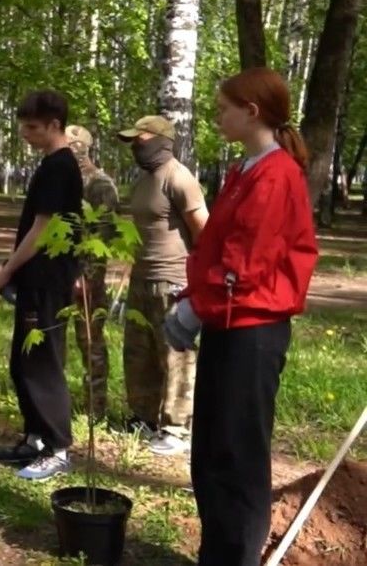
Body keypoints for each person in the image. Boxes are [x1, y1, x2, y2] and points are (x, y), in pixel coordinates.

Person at [164, 68, 317, 565]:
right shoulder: (246, 170)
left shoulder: (276, 176)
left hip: (252, 332)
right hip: (228, 326)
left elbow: (245, 262)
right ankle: (219, 554)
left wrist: (196, 307)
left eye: (223, 108)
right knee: (212, 450)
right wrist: (192, 299)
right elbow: (214, 248)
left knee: (237, 456)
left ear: (252, 112)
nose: (216, 116)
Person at [0, 90, 84, 481]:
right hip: (37, 280)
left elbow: (42, 230)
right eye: (23, 126)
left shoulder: (60, 167)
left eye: (32, 127)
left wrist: (7, 268)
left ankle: (59, 447)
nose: (24, 134)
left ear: (54, 125)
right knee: (22, 362)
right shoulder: (50, 163)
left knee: (41, 364)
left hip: (47, 281)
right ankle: (35, 437)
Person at [116, 115, 208, 456]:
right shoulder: (143, 181)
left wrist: (197, 279)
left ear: (160, 141)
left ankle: (176, 427)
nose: (135, 148)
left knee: (176, 354)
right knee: (138, 352)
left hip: (173, 280)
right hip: (142, 278)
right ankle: (143, 417)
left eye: (139, 141)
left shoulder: (179, 177)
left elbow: (204, 231)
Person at [63, 125, 120, 419]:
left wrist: (85, 276)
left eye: (75, 145)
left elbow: (101, 240)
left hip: (87, 278)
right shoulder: (67, 180)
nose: (71, 150)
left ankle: (96, 408)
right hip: (62, 272)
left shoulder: (100, 186)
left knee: (90, 341)